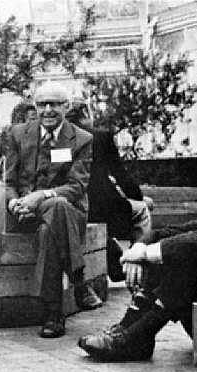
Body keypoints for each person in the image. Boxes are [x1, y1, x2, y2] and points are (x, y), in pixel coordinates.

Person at [78, 158, 197, 361]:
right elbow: (175, 232)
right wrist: (140, 246)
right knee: (175, 257)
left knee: (185, 265)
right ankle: (131, 332)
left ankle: (135, 336)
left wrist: (147, 254)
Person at [5, 81, 102, 339]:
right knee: (53, 213)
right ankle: (79, 280)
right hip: (25, 211)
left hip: (67, 208)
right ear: (34, 107)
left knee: (51, 225)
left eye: (55, 104)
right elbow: (10, 183)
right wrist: (15, 203)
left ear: (67, 107)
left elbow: (76, 187)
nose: (48, 110)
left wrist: (41, 196)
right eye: (41, 104)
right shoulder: (18, 134)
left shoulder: (81, 139)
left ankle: (53, 314)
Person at [65, 95, 153, 281]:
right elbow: (120, 174)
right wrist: (139, 197)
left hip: (71, 204)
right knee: (142, 211)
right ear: (86, 112)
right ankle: (137, 264)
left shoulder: (59, 138)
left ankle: (115, 261)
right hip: (101, 206)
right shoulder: (100, 136)